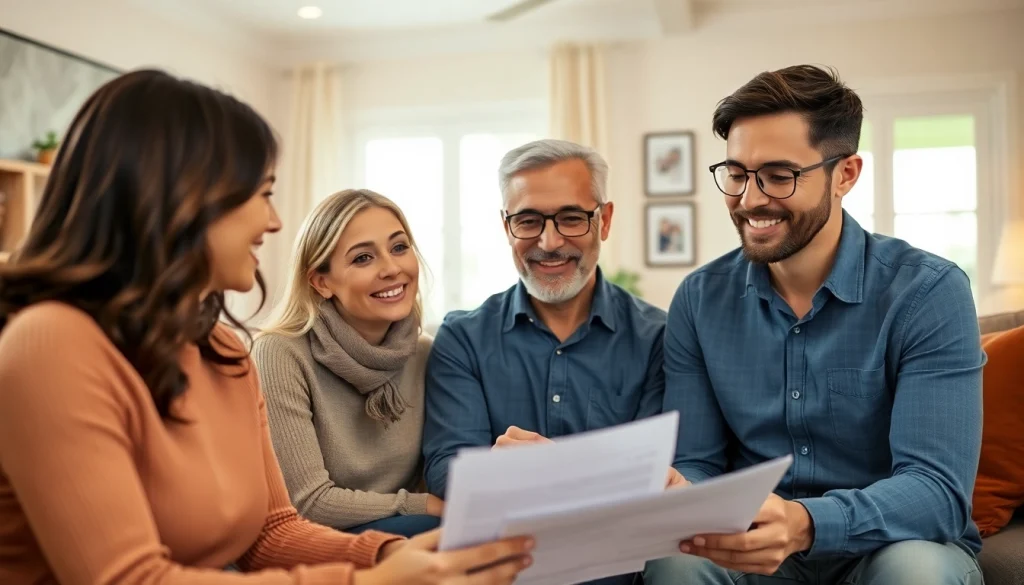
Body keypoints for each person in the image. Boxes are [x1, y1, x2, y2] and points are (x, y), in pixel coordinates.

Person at [0, 69, 533, 585]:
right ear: (181, 202)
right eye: (261, 194)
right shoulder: (51, 344)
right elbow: (128, 578)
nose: (273, 222)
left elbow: (270, 534)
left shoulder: (222, 350)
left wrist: (395, 551)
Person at [644, 65, 985, 585]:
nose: (750, 199)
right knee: (675, 563)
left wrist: (806, 522)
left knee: (916, 572)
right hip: (750, 548)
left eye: (779, 176)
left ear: (844, 174)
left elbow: (935, 488)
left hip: (888, 545)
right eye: (736, 174)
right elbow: (698, 462)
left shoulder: (928, 292)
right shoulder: (699, 298)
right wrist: (680, 491)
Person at [422, 139, 671, 585]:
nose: (549, 242)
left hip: (615, 568)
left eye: (572, 218)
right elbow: (447, 468)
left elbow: (658, 477)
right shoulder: (462, 338)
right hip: (498, 564)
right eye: (528, 220)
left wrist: (544, 472)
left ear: (605, 220)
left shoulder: (658, 338)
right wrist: (594, 478)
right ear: (506, 226)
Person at [253, 188, 442, 538]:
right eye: (363, 258)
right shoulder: (279, 352)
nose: (391, 268)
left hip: (407, 536)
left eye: (399, 247)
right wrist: (421, 505)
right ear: (321, 282)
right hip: (317, 544)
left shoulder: (426, 353)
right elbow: (308, 502)